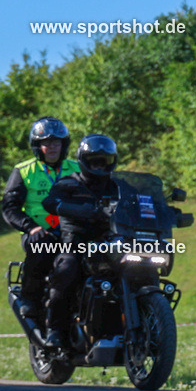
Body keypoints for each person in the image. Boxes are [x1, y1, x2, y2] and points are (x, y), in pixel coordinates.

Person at [41, 134, 119, 349]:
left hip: (111, 244)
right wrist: (72, 208)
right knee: (67, 269)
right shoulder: (69, 183)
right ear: (84, 160)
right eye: (94, 160)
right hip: (76, 244)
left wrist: (165, 210)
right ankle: (55, 330)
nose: (99, 165)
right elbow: (50, 201)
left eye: (104, 160)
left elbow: (138, 201)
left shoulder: (117, 186)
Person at [2, 117, 80, 324]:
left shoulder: (78, 169)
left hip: (72, 234)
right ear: (37, 146)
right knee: (42, 247)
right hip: (40, 233)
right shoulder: (23, 171)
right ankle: (30, 297)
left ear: (64, 145)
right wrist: (31, 228)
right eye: (46, 143)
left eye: (56, 142)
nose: (52, 147)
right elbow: (9, 208)